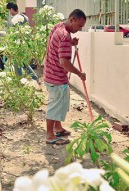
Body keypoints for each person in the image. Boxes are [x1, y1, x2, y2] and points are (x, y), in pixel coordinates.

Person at [43, 9, 87, 145]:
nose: (79, 29)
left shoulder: (59, 27)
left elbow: (53, 45)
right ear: (72, 20)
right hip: (56, 77)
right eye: (79, 26)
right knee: (55, 106)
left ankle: (58, 128)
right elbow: (64, 63)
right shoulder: (65, 36)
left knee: (60, 104)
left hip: (50, 73)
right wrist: (80, 73)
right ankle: (50, 136)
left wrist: (71, 43)